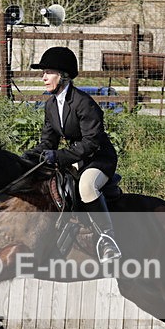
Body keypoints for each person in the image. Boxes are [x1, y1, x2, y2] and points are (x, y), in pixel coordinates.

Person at [23, 46, 122, 263]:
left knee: (86, 187)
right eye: (43, 73)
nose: (43, 78)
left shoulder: (83, 103)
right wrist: (26, 158)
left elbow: (91, 142)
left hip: (98, 159)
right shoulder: (50, 105)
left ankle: (108, 240)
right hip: (76, 158)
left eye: (48, 73)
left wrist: (58, 156)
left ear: (64, 76)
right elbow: (48, 142)